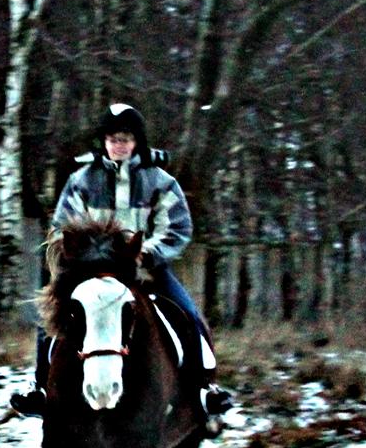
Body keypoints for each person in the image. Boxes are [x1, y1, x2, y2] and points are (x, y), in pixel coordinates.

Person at [11, 103, 230, 422]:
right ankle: (40, 387)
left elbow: (178, 227)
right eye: (113, 139)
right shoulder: (81, 180)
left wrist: (146, 252)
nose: (119, 145)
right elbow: (61, 226)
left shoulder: (160, 181)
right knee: (48, 319)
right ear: (104, 141)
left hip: (144, 269)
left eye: (125, 139)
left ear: (137, 141)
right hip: (90, 272)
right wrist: (83, 254)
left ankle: (203, 390)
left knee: (188, 315)